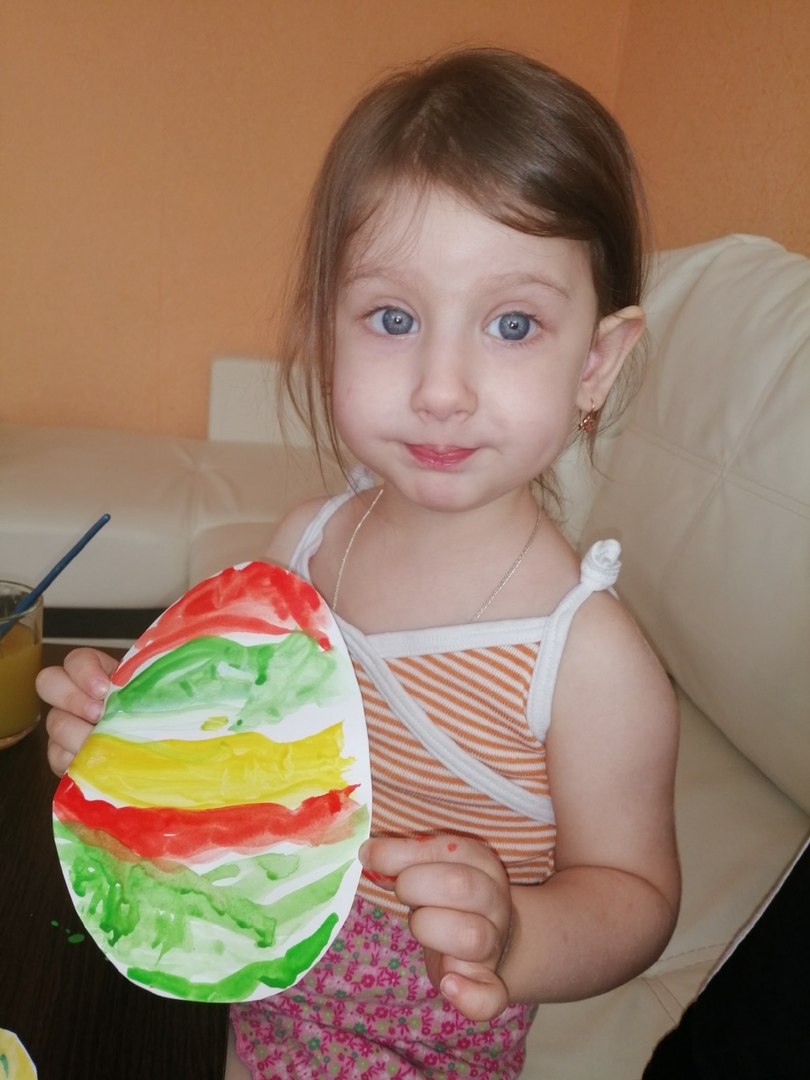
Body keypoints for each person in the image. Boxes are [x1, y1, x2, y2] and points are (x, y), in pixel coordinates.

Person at [38, 48, 680, 1080]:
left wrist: (515, 934)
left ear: (596, 363)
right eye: (393, 318)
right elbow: (238, 744)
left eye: (513, 324)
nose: (441, 387)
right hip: (261, 986)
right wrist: (128, 746)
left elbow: (636, 898)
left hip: (423, 1043)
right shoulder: (303, 546)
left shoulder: (584, 658)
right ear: (326, 327)